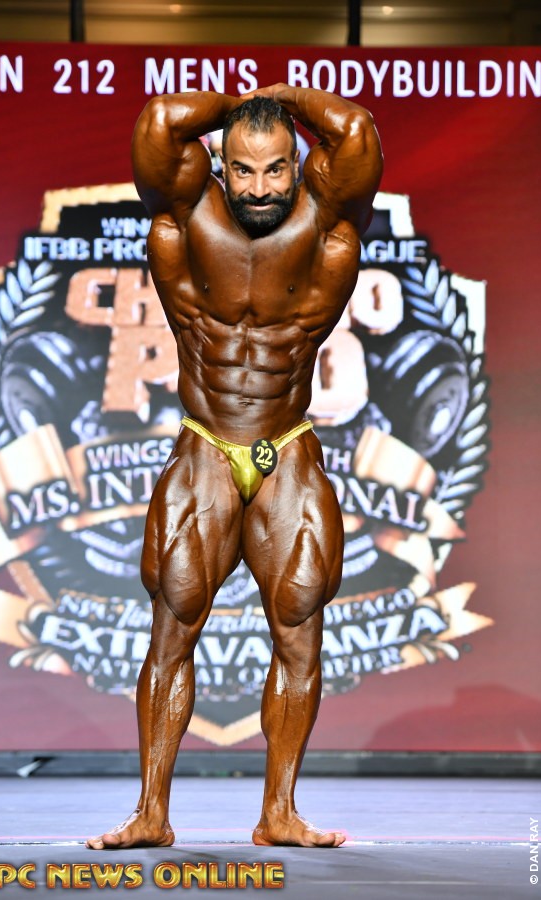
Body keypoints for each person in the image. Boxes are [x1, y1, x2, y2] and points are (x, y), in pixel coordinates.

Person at [86, 83, 382, 850]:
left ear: (298, 165)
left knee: (300, 627)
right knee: (174, 621)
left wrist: (279, 97)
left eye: (275, 169)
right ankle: (150, 814)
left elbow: (356, 130)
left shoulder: (328, 219)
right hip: (206, 444)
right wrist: (236, 106)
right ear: (219, 164)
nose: (259, 188)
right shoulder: (188, 210)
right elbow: (159, 121)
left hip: (287, 445)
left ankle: (279, 813)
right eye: (243, 170)